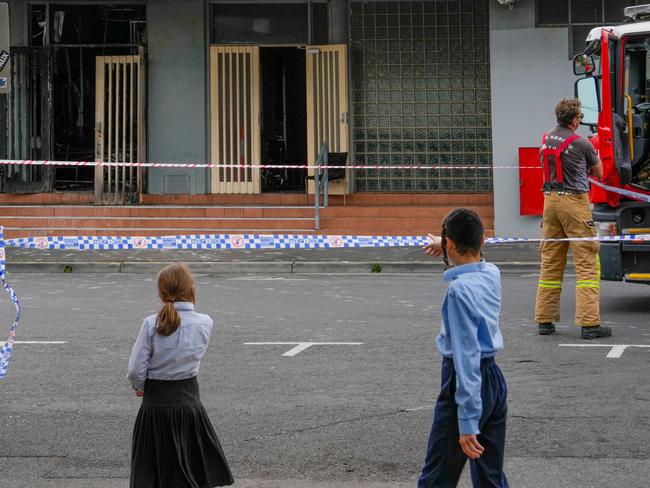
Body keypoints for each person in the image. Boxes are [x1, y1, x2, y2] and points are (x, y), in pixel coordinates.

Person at [419, 208, 509, 488]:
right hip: (494, 380)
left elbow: (466, 357)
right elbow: (475, 261)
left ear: (450, 244)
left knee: (436, 478)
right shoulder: (491, 273)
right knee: (489, 476)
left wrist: (468, 420)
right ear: (483, 241)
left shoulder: (458, 292)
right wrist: (446, 243)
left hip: (465, 383)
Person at [127, 262, 234, 488]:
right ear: (192, 288)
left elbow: (135, 369)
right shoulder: (205, 322)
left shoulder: (150, 323)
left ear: (161, 292)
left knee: (155, 473)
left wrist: (140, 386)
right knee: (191, 467)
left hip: (156, 404)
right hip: (189, 403)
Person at [535, 98, 612, 339]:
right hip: (574, 204)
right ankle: (589, 324)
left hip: (550, 202)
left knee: (550, 261)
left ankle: (545, 320)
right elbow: (599, 172)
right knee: (587, 262)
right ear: (575, 120)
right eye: (579, 117)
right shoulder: (582, 143)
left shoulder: (546, 138)